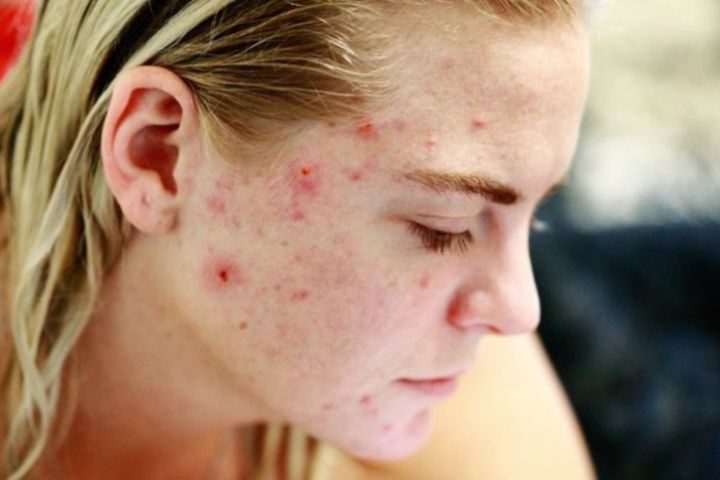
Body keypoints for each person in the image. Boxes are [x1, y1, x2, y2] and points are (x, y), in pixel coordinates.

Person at [0, 0, 597, 478]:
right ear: (156, 153)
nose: (520, 312)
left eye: (535, 215)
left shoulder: (439, 371)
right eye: (442, 226)